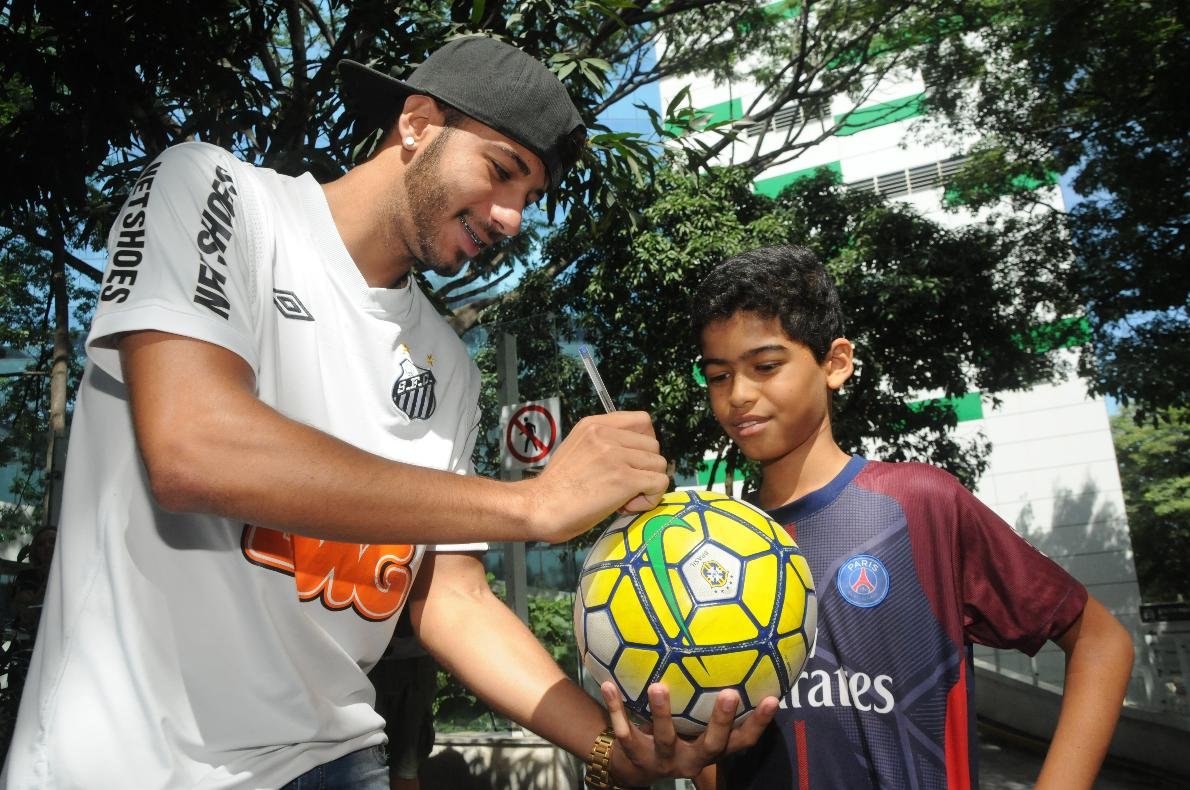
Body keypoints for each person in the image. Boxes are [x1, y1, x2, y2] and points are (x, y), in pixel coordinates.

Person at [1, 37, 776, 789]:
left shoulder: (447, 363)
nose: (512, 219)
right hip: (135, 761)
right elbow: (193, 446)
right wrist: (534, 503)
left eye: (529, 199)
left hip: (339, 756)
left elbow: (451, 595)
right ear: (416, 125)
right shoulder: (214, 193)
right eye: (501, 171)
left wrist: (613, 747)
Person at [688, 245, 1135, 789]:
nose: (739, 395)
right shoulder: (713, 545)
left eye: (765, 366)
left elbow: (1100, 641)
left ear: (835, 364)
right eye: (718, 376)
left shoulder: (919, 504)